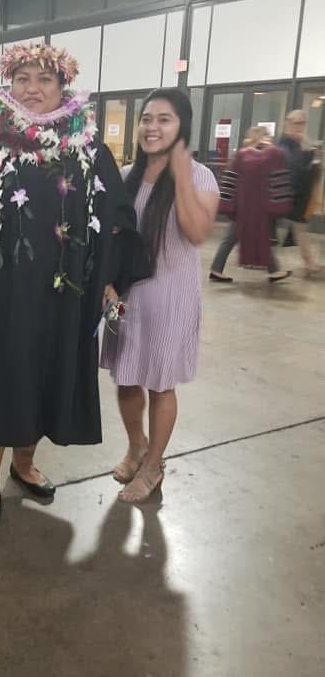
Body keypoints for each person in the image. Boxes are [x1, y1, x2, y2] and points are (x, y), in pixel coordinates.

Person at [0, 42, 148, 525]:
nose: (32, 90)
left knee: (40, 381)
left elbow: (114, 216)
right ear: (8, 86)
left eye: (44, 81)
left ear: (62, 88)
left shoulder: (89, 150)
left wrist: (109, 280)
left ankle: (25, 464)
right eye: (23, 80)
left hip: (60, 297)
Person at [101, 88, 220, 504]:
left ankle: (153, 465)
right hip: (128, 296)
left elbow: (196, 232)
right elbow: (111, 237)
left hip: (171, 297)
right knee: (126, 378)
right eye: (146, 118)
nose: (152, 126)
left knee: (160, 385)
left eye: (164, 119)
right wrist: (107, 282)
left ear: (182, 125)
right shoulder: (127, 173)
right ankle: (136, 445)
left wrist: (181, 176)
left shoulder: (200, 176)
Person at [217, 128, 293, 283]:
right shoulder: (247, 155)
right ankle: (273, 270)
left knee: (246, 237)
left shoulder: (251, 155)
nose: (268, 139)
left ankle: (273, 270)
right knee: (235, 238)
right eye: (265, 135)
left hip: (250, 207)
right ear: (257, 137)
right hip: (244, 207)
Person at [278, 109, 321, 275]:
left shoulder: (297, 142)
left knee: (299, 229)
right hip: (286, 194)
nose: (300, 127)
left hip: (297, 195)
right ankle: (271, 265)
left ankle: (309, 261)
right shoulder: (285, 144)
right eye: (297, 123)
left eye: (303, 123)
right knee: (295, 229)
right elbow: (294, 168)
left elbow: (306, 163)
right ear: (288, 123)